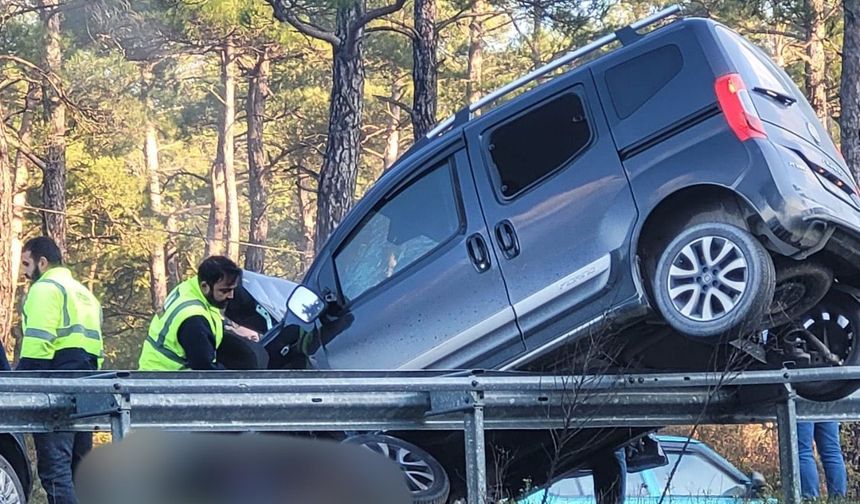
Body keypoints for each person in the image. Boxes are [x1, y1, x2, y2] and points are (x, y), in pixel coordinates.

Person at [17, 236, 104, 504]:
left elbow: (37, 346)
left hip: (58, 385)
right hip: (88, 384)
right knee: (80, 470)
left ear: (42, 262)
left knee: (56, 471)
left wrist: (16, 385)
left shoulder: (44, 289)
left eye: (26, 264)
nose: (23, 272)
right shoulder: (85, 294)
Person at [138, 256, 241, 371]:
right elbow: (205, 369)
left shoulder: (190, 288)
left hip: (153, 371)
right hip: (168, 377)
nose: (231, 296)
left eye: (233, 289)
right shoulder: (193, 320)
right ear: (205, 286)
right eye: (225, 291)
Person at [797, 421, 847, 500]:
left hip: (801, 413)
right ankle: (838, 499)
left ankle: (810, 498)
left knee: (803, 452)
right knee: (832, 452)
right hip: (829, 413)